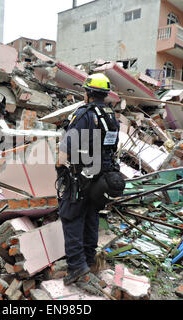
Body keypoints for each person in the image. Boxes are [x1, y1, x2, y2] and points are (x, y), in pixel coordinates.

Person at [55, 73, 122, 286]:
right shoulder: (111, 117)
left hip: (80, 177)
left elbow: (65, 149)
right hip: (101, 178)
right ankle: (89, 261)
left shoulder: (83, 114)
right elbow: (112, 148)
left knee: (71, 217)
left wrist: (60, 166)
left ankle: (77, 268)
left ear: (88, 93)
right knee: (91, 216)